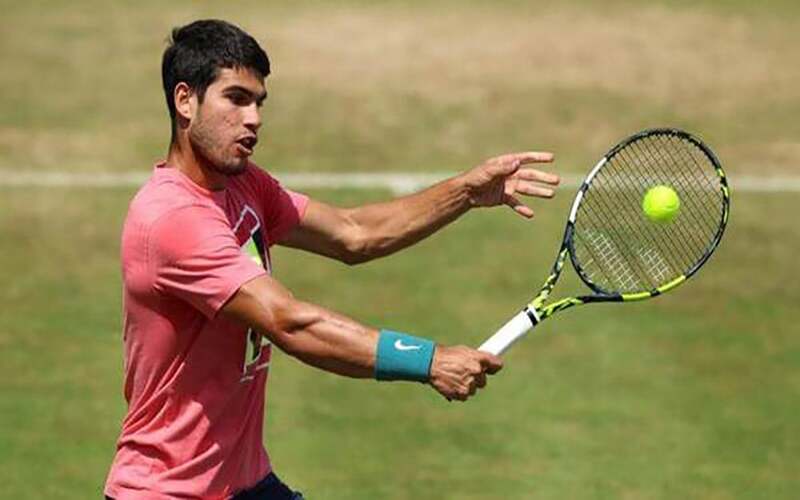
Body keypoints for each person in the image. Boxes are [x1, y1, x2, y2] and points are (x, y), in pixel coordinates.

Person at [104, 19, 559, 500]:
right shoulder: (172, 218)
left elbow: (353, 233)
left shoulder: (243, 184)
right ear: (185, 101)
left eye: (259, 102)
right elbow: (289, 322)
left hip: (246, 484)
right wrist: (430, 360)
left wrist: (465, 192)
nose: (254, 119)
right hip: (168, 491)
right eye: (236, 99)